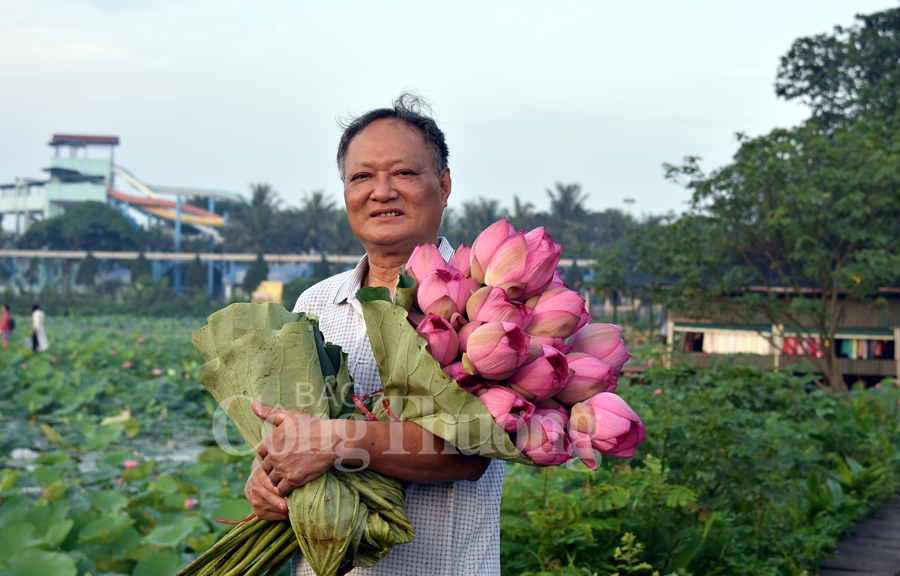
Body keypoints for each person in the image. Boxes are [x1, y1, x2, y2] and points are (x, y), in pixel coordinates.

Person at [244, 94, 504, 576]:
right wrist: (265, 477)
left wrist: (335, 441)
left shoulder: (486, 302)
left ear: (444, 184)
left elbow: (469, 454)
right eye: (361, 176)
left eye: (403, 173)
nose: (381, 192)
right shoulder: (314, 304)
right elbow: (286, 433)